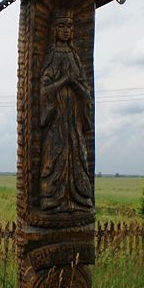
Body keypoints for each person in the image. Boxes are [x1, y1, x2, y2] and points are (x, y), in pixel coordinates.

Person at [39, 13, 94, 214]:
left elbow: (85, 90)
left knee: (78, 152)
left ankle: (78, 198)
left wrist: (76, 86)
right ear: (55, 29)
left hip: (74, 118)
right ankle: (53, 199)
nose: (66, 30)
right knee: (55, 153)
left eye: (69, 26)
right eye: (61, 25)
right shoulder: (53, 56)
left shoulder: (74, 56)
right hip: (57, 118)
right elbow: (44, 90)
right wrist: (64, 81)